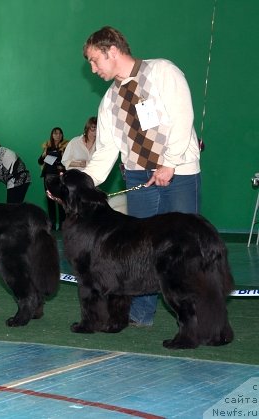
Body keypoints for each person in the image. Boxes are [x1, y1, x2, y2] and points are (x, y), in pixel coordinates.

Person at [82, 26, 201, 327]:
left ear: (112, 51)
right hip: (138, 178)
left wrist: (170, 163)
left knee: (182, 248)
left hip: (180, 173)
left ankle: (191, 316)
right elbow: (105, 152)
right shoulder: (109, 101)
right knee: (139, 252)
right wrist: (82, 184)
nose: (93, 69)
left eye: (95, 60)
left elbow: (182, 116)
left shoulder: (163, 72)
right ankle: (141, 314)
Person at [0, 134, 31, 204]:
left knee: (11, 207)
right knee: (15, 206)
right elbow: (3, 175)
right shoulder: (2, 158)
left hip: (16, 180)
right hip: (21, 179)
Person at [37, 127, 68, 230]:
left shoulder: (66, 146)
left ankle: (63, 224)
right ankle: (53, 224)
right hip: (48, 176)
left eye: (60, 133)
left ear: (62, 135)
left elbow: (67, 161)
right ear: (52, 135)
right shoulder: (47, 147)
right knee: (50, 200)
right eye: (55, 134)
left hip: (60, 177)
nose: (57, 135)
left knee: (61, 201)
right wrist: (43, 154)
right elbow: (40, 161)